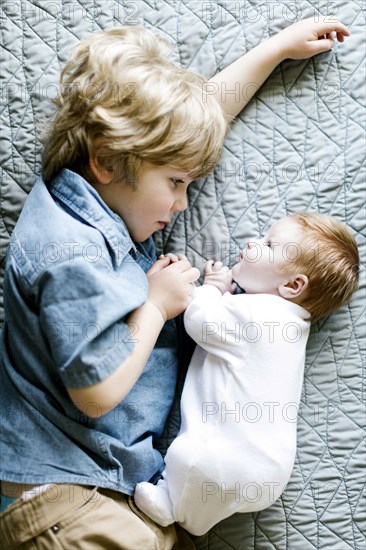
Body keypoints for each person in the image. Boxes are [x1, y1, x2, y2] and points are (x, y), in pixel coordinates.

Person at [0, 17, 351, 550]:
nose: (183, 201)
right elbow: (95, 392)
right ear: (107, 161)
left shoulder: (116, 200)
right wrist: (155, 307)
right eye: (177, 184)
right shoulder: (68, 245)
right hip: (66, 496)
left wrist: (276, 50)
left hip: (117, 493)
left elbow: (199, 119)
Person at [134, 212, 360, 536]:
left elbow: (199, 320)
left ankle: (173, 506)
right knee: (205, 480)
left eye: (268, 245)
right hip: (270, 472)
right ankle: (197, 519)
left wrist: (213, 288)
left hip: (221, 458)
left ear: (292, 285)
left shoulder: (258, 316)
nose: (253, 243)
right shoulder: (294, 328)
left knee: (190, 459)